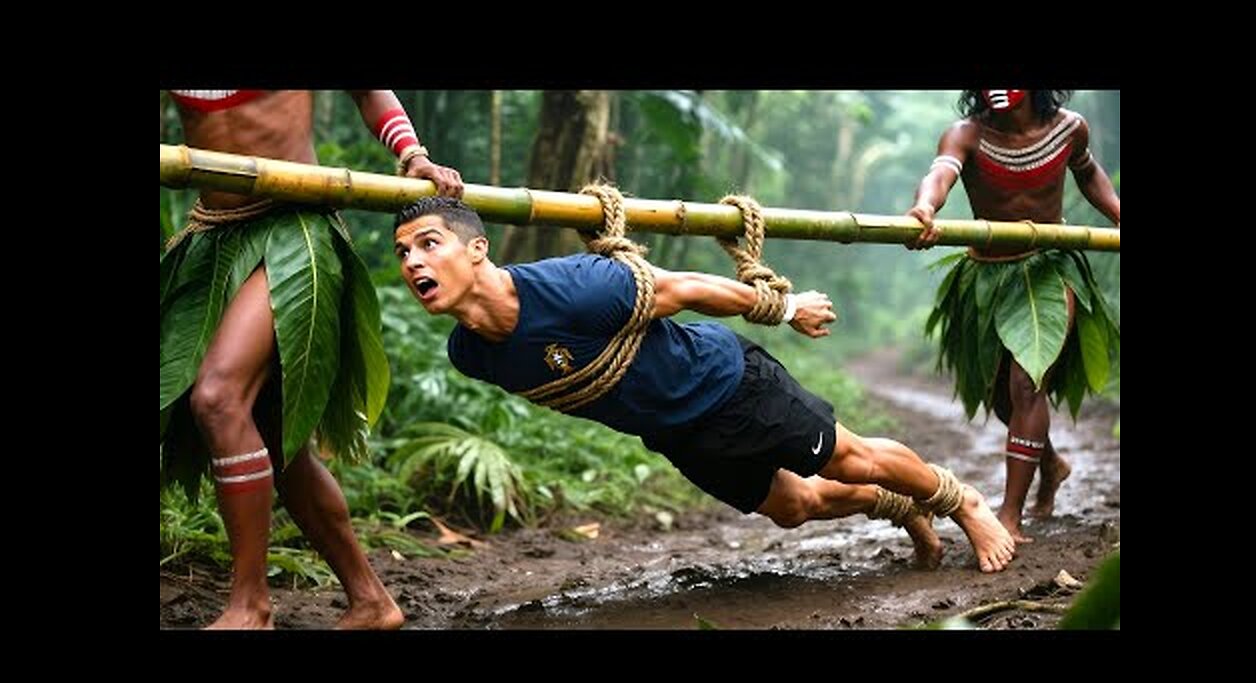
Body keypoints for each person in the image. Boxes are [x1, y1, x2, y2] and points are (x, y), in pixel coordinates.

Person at [392, 196, 1018, 573]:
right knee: (796, 508)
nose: (414, 261)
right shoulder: (470, 354)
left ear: (477, 249)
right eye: (403, 253)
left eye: (429, 243)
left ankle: (964, 504)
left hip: (730, 384)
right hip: (678, 433)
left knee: (854, 458)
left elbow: (683, 288)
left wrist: (785, 306)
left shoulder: (573, 287)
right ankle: (901, 507)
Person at [159, 90, 464, 629]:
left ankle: (249, 605)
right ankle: (371, 600)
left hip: (293, 230)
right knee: (274, 438)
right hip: (212, 237)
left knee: (218, 397)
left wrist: (412, 154)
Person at [905, 90, 1120, 543]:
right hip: (988, 274)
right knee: (1001, 393)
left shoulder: (1070, 128)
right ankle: (1050, 464)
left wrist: (1119, 212)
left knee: (1028, 383)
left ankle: (1010, 514)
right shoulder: (967, 135)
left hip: (1050, 268)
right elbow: (940, 173)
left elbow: (1088, 173)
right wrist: (926, 207)